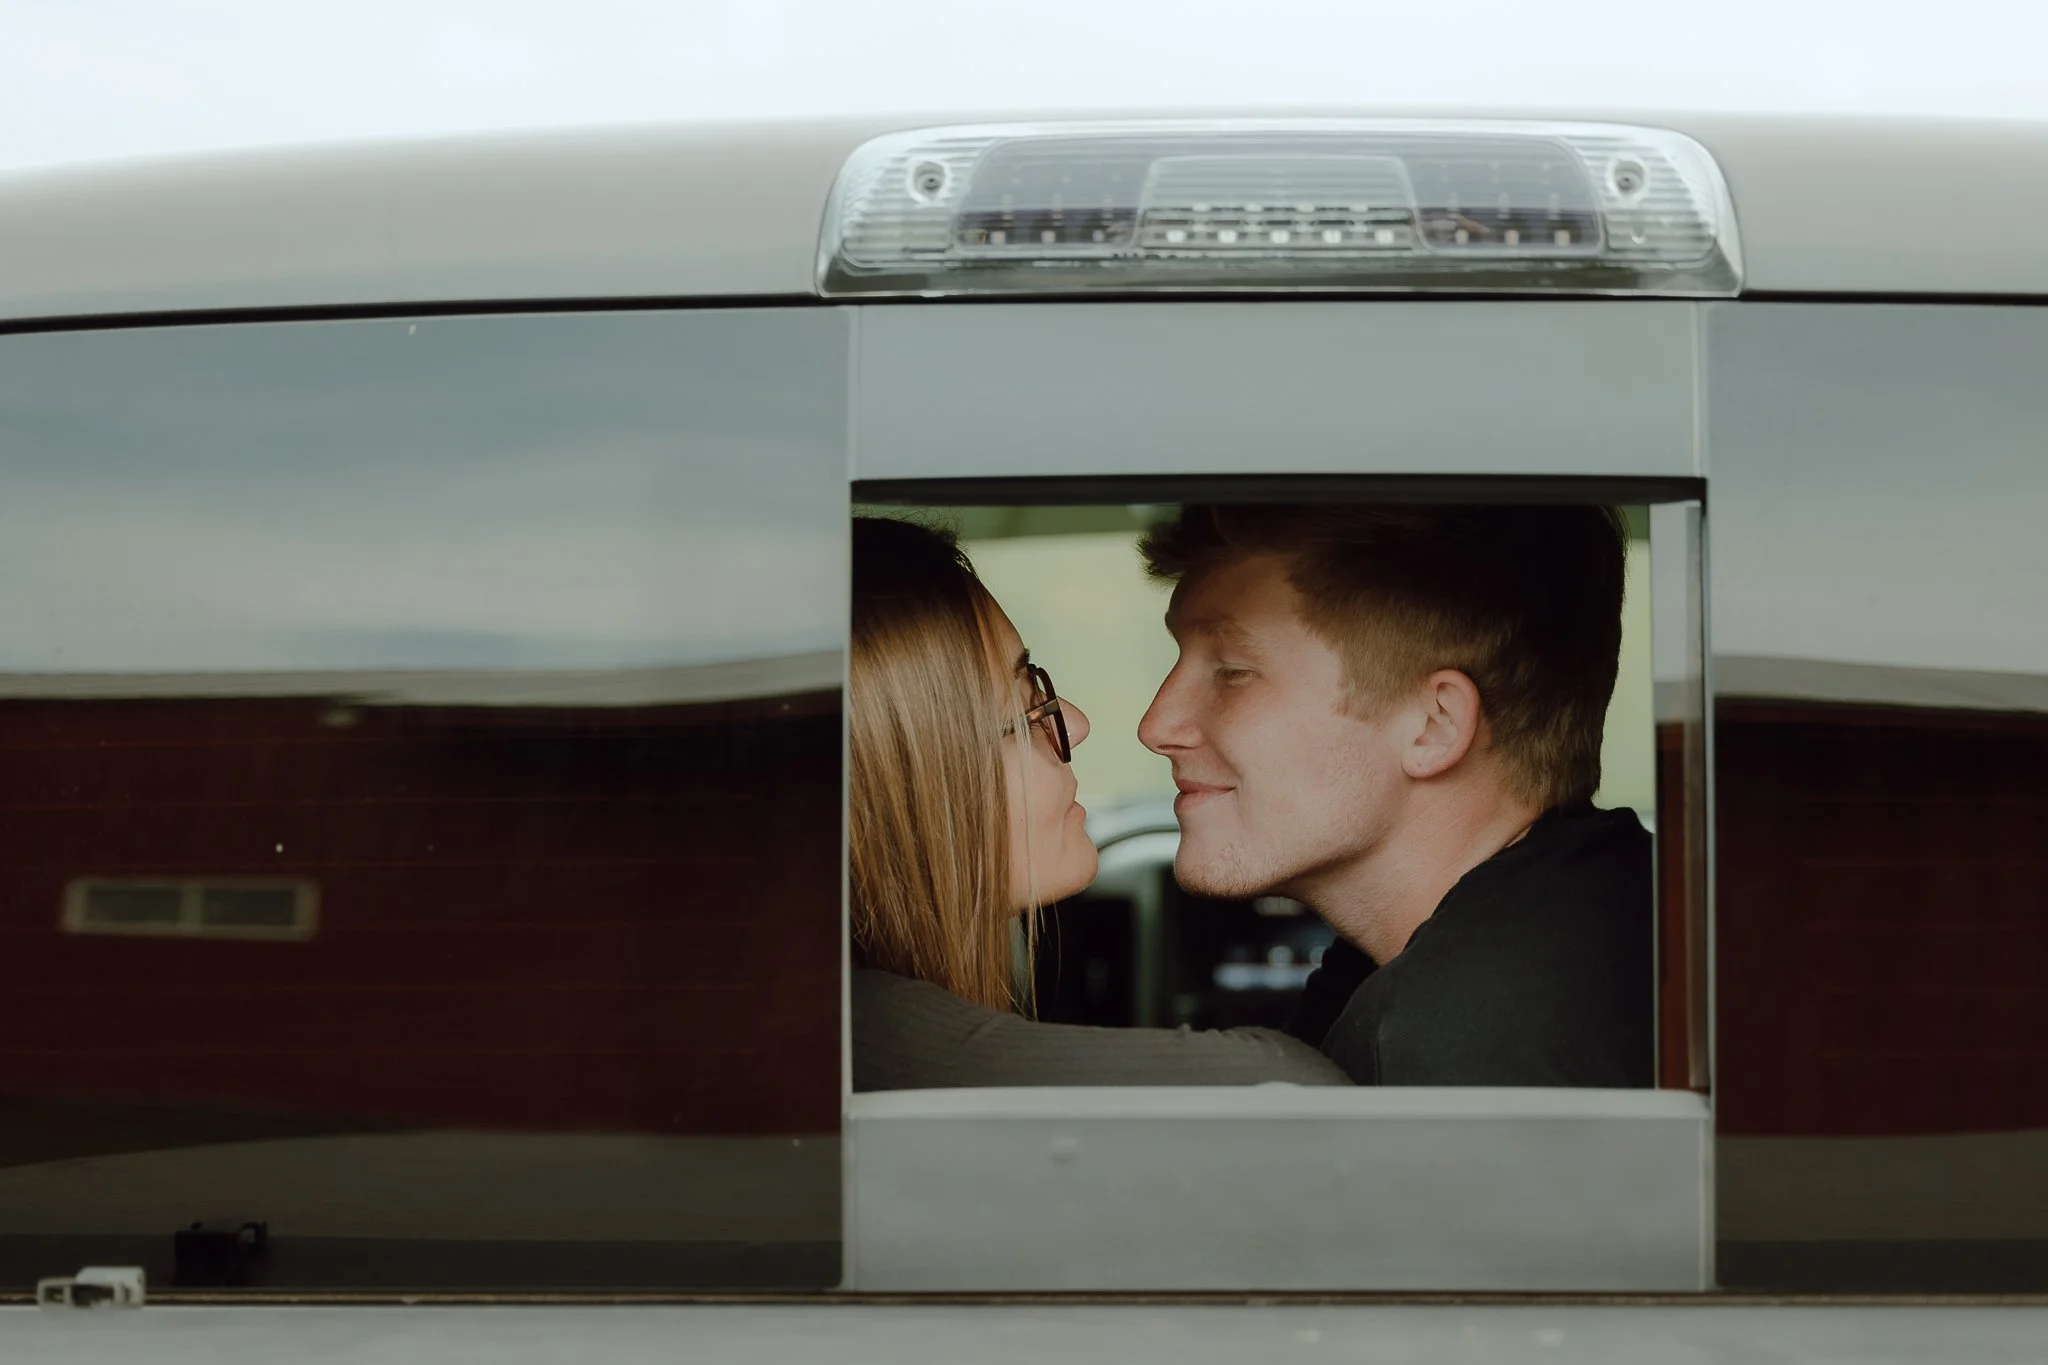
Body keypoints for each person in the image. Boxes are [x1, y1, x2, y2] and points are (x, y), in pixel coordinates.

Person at [1136, 504, 1652, 1088]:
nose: (1157, 726)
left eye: (1232, 671)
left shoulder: (1459, 1040)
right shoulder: (1611, 912)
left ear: (1433, 725)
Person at [849, 515, 1345, 1090]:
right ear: (896, 781)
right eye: (1018, 713)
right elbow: (1281, 1085)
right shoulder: (865, 1035)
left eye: (1037, 686)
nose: (1077, 723)